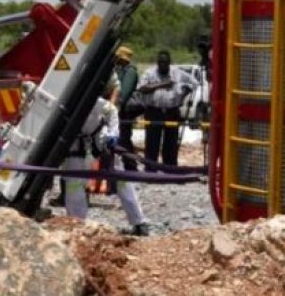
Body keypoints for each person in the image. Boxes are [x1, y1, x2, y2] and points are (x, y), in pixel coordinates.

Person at [63, 75, 149, 236]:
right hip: (77, 147)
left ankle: (139, 221)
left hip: (102, 145)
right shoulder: (68, 104)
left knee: (122, 182)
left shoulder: (98, 104)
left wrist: (112, 134)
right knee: (74, 184)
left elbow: (112, 112)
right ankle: (76, 223)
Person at [139, 49, 199, 169]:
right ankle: (151, 169)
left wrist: (185, 91)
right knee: (152, 142)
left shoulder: (177, 73)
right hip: (154, 111)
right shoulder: (149, 73)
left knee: (171, 142)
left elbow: (194, 82)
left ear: (169, 63)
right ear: (157, 62)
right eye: (160, 62)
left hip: (172, 111)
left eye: (165, 62)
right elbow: (142, 88)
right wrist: (162, 85)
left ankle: (170, 169)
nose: (163, 65)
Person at [114, 46, 140, 172]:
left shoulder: (130, 72)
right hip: (119, 110)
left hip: (124, 111)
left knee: (124, 138)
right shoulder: (120, 70)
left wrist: (116, 107)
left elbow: (125, 92)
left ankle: (130, 165)